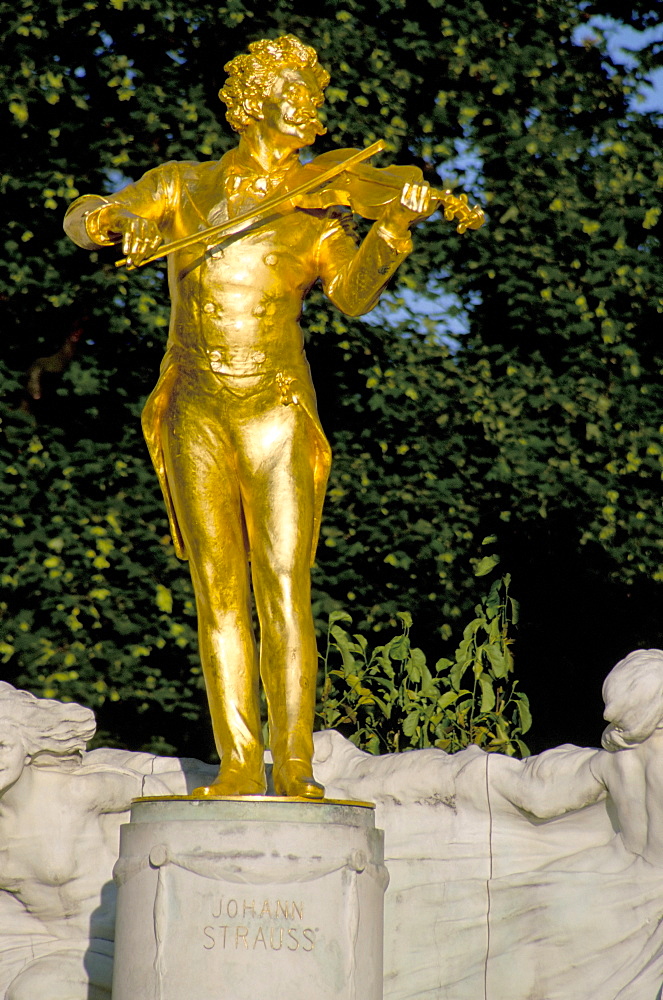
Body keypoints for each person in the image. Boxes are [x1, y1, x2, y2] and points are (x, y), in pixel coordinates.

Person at [63, 34, 435, 799]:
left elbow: (355, 297)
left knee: (283, 585)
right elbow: (82, 218)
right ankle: (238, 763)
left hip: (276, 409)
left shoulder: (319, 210)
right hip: (195, 404)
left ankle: (292, 765)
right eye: (298, 91)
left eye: (313, 95)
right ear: (253, 101)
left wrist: (392, 228)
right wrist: (109, 219)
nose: (314, 108)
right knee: (218, 592)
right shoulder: (180, 186)